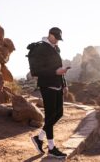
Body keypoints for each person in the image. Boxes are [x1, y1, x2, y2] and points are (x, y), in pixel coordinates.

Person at [30, 27, 69, 159]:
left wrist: (64, 84)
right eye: (56, 37)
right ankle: (51, 148)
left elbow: (58, 67)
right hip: (47, 85)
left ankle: (39, 138)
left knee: (59, 114)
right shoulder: (41, 48)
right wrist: (55, 72)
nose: (57, 40)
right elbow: (36, 71)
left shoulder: (56, 48)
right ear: (49, 35)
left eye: (59, 38)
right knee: (50, 115)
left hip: (57, 85)